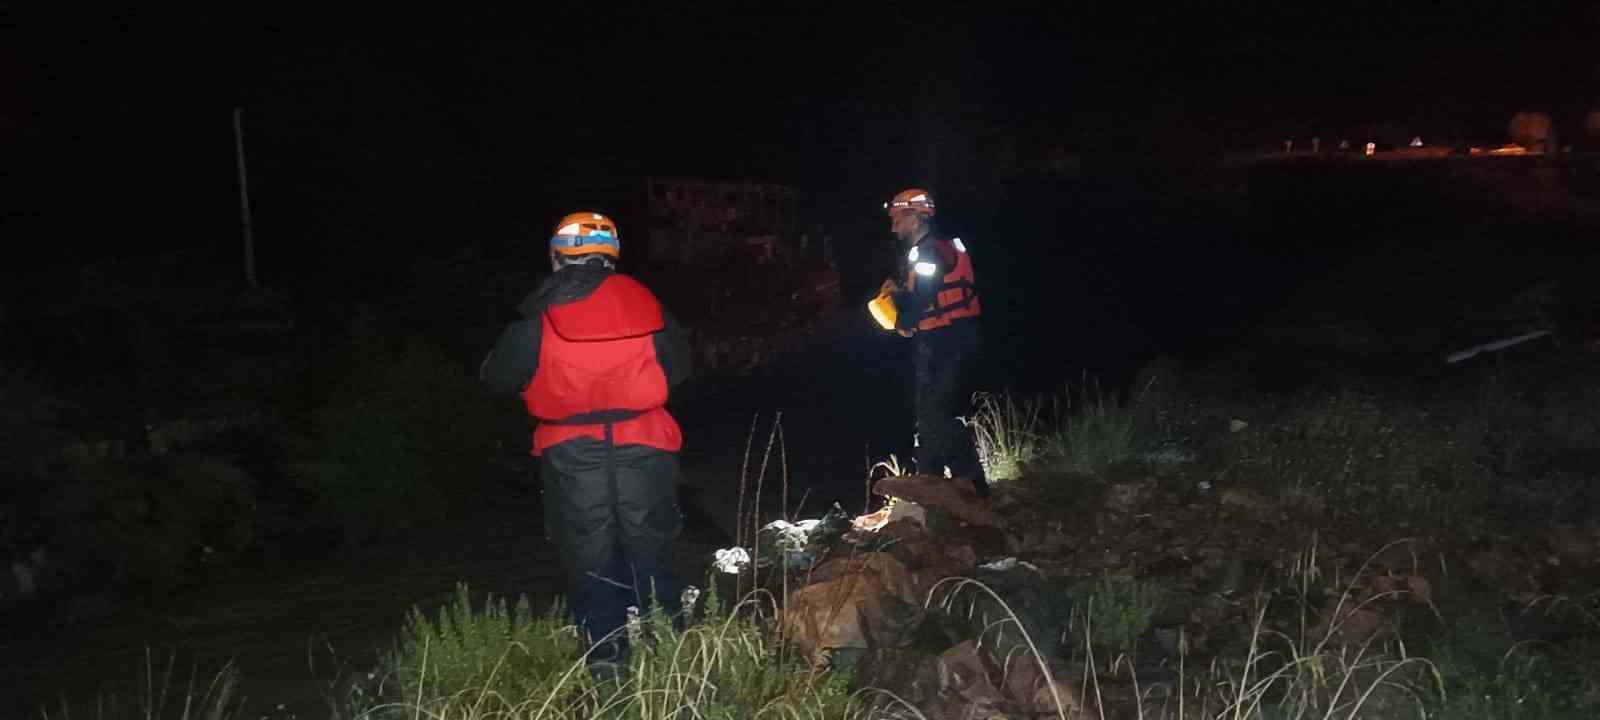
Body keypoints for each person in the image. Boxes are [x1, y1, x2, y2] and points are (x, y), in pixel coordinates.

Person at [480, 211, 692, 675]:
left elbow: (498, 379)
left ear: (558, 257)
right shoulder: (650, 307)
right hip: (645, 444)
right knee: (652, 545)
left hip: (571, 451)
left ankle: (607, 662)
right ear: (610, 256)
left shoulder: (536, 315)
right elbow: (678, 369)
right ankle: (673, 657)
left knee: (587, 553)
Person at [878, 187, 989, 498]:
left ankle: (966, 481)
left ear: (915, 219)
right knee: (929, 412)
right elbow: (925, 290)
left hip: (947, 339)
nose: (893, 226)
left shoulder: (930, 251)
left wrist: (902, 322)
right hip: (940, 338)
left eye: (898, 219)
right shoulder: (927, 251)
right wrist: (898, 292)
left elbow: (925, 295)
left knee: (934, 412)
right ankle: (934, 480)